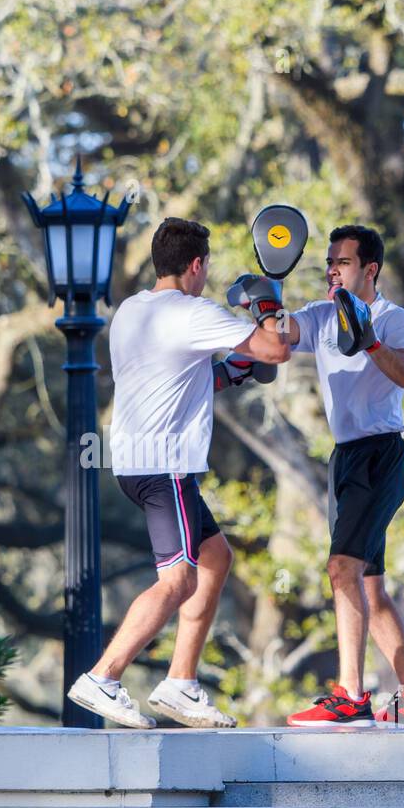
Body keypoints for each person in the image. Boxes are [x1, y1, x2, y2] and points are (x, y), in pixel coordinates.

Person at [67, 217, 290, 728]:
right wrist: (267, 303)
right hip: (165, 466)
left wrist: (233, 370)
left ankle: (180, 683)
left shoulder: (131, 311)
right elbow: (276, 349)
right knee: (178, 579)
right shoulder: (193, 313)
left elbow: (182, 380)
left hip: (135, 463)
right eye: (206, 266)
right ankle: (103, 675)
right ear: (196, 265)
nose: (207, 275)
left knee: (214, 558)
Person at [279, 225, 404, 727]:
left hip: (381, 457)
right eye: (330, 261)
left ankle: (351, 694)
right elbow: (279, 338)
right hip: (344, 459)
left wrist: (370, 341)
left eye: (343, 262)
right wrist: (265, 298)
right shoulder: (322, 315)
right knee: (369, 587)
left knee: (341, 569)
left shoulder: (395, 319)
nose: (332, 269)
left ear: (370, 269)